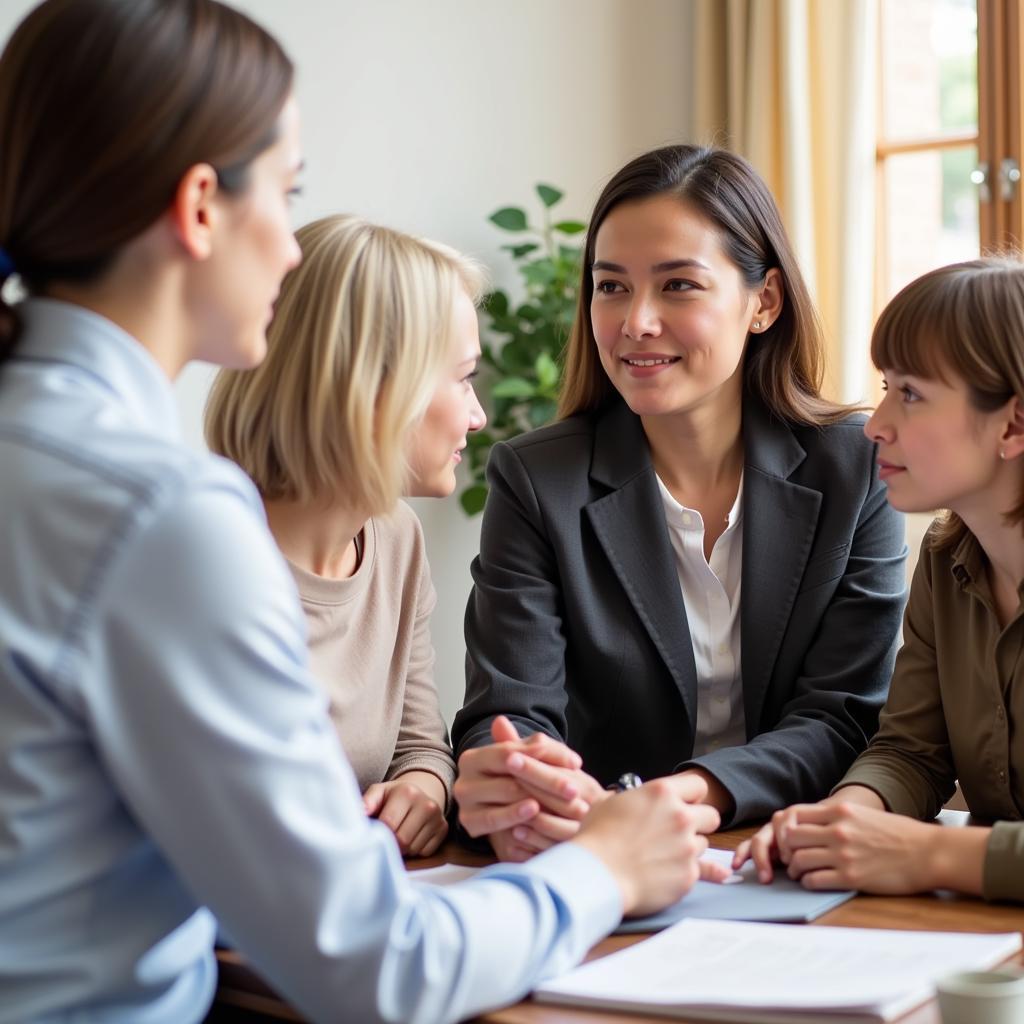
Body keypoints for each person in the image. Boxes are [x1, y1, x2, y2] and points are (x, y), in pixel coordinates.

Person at [0, 4, 724, 1023]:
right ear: (200, 206)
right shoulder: (162, 517)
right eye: (285, 193)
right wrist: (606, 865)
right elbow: (376, 967)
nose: (293, 255)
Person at [453, 144, 907, 862]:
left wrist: (689, 795)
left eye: (678, 286)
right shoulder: (536, 479)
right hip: (595, 858)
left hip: (786, 855)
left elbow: (842, 717)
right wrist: (515, 775)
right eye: (610, 287)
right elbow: (510, 710)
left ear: (763, 302)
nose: (636, 322)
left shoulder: (855, 465)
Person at [734, 258, 1024, 903]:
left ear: (1013, 422)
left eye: (911, 394)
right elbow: (913, 751)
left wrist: (934, 855)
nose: (875, 425)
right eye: (886, 387)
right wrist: (846, 818)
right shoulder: (948, 561)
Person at [204, 214, 489, 857]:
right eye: (464, 376)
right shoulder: (210, 556)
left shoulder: (397, 538)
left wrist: (422, 788)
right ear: (379, 390)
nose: (478, 416)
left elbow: (421, 744)